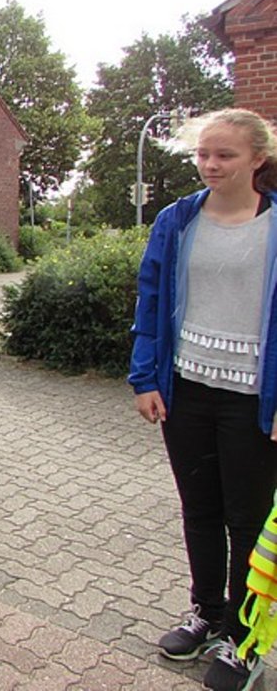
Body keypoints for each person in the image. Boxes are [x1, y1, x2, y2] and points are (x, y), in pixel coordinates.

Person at [129, 108, 277, 691]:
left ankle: (245, 639)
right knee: (200, 510)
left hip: (254, 400)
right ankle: (206, 614)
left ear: (257, 159)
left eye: (225, 155)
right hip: (186, 389)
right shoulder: (178, 219)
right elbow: (150, 298)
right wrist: (145, 378)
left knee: (248, 521)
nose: (210, 165)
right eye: (203, 154)